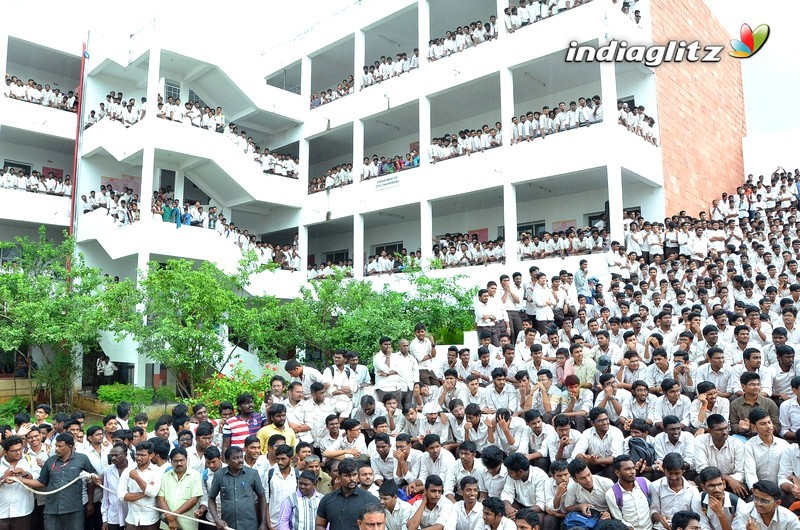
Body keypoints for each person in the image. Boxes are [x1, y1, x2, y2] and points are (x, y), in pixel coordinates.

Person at [15, 432, 97, 530]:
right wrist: (19, 480)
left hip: (74, 509)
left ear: (70, 446)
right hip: (52, 509)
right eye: (56, 446)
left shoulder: (82, 459)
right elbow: (41, 482)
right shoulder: (50, 461)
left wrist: (90, 502)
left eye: (60, 446)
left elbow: (93, 478)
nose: (56, 449)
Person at [207, 446, 267, 530]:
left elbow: (262, 497)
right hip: (228, 525)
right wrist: (216, 519)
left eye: (241, 457)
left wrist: (263, 523)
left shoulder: (252, 474)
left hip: (249, 525)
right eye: (235, 458)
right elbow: (211, 499)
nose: (240, 461)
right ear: (227, 461)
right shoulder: (219, 475)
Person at [316, 458, 380, 530]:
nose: (352, 479)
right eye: (347, 476)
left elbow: (378, 525)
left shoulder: (371, 500)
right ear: (339, 477)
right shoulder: (327, 499)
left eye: (354, 475)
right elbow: (319, 525)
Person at [606, 455, 652, 530]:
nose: (633, 472)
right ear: (617, 473)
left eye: (633, 468)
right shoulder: (611, 494)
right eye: (627, 469)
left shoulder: (644, 482)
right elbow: (619, 519)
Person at [0, 435, 37, 528]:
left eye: (20, 449)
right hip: (1, 511)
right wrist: (3, 478)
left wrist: (24, 474)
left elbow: (39, 480)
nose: (18, 453)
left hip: (22, 510)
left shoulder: (30, 460)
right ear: (5, 451)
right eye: (13, 451)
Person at [731, 480, 800, 530]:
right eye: (756, 498)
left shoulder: (790, 519)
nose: (758, 504)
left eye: (764, 501)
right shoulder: (745, 512)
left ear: (777, 503)